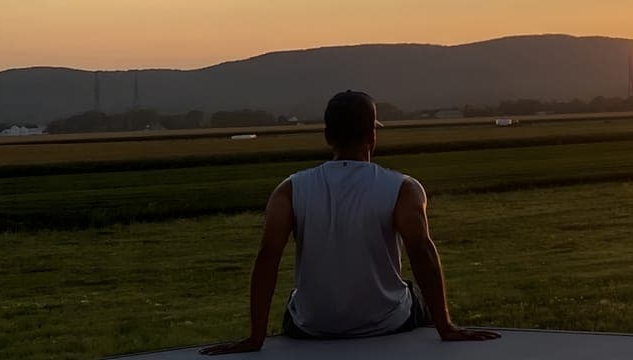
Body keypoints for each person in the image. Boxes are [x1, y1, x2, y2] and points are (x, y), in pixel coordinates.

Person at [202, 91, 500, 353]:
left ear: (328, 136)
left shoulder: (289, 189)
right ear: (372, 135)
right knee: (410, 292)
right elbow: (421, 252)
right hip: (388, 322)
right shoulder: (403, 188)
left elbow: (267, 257)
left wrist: (256, 338)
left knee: (296, 300)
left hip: (310, 326)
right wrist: (446, 327)